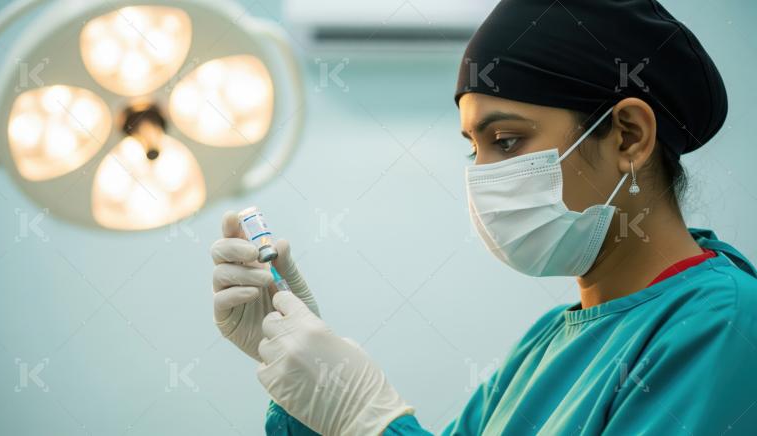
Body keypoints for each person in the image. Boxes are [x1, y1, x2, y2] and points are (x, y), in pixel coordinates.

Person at [209, 0, 757, 434]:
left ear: (630, 137)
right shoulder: (548, 344)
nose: (483, 176)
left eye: (508, 140)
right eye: (475, 148)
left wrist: (366, 422)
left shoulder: (723, 325)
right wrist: (306, 381)